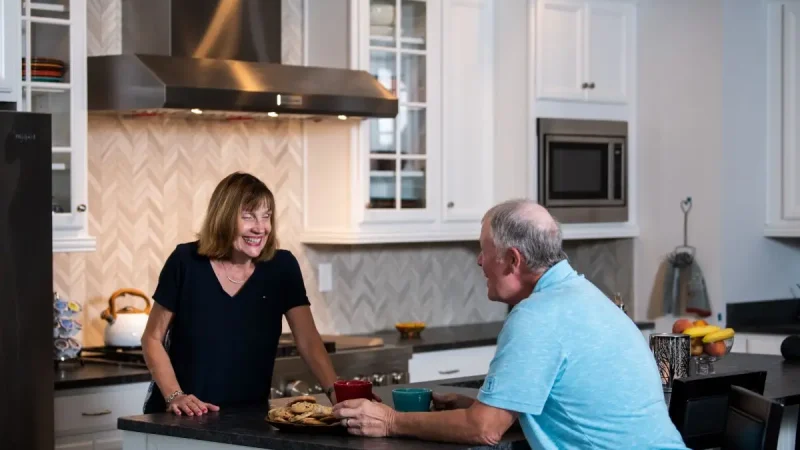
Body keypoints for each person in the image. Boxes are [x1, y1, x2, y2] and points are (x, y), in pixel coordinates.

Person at [333, 199, 689, 450]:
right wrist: (479, 405)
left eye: (484, 251)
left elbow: (484, 430)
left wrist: (389, 421)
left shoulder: (537, 316)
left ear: (512, 260)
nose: (479, 261)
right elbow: (573, 406)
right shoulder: (586, 295)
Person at [141, 172, 339, 416]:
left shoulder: (282, 267)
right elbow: (152, 338)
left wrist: (337, 392)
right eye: (248, 217)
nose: (260, 227)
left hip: (250, 418)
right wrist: (175, 395)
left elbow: (308, 340)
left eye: (266, 217)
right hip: (183, 418)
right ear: (223, 218)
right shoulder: (185, 262)